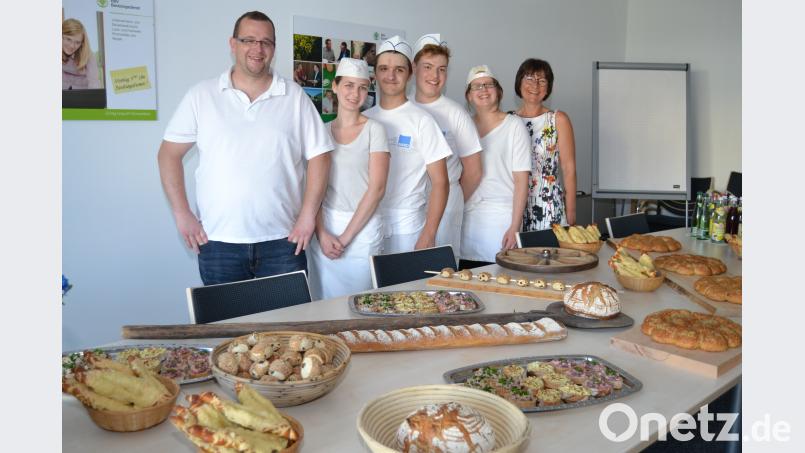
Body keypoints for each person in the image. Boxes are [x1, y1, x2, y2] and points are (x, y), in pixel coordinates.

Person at [157, 11, 332, 286]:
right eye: (248, 40)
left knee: (288, 316)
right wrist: (182, 213)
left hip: (283, 242)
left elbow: (321, 156)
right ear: (233, 44)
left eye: (266, 42)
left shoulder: (294, 97)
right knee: (226, 316)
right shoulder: (202, 95)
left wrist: (308, 216)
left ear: (274, 48)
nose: (257, 49)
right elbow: (168, 154)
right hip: (218, 243)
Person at [308, 59, 390, 299]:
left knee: (361, 304)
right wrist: (322, 233)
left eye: (362, 87)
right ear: (334, 86)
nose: (355, 94)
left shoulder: (375, 130)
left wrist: (345, 238)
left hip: (362, 231)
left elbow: (377, 189)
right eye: (349, 85)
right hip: (326, 229)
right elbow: (314, 189)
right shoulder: (321, 132)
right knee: (324, 304)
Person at [364, 36, 452, 253]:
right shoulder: (365, 119)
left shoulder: (422, 121)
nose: (391, 76)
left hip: (408, 229)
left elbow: (441, 182)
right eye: (384, 69)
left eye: (399, 70)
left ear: (410, 74)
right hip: (367, 224)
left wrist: (429, 233)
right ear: (375, 74)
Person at [412, 34, 482, 259]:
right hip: (409, 202)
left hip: (446, 204)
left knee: (440, 267)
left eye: (441, 69)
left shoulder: (456, 113)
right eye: (428, 67)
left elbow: (474, 171)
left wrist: (453, 198)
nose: (435, 76)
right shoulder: (404, 108)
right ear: (414, 68)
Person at [460, 65, 530, 265]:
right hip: (467, 221)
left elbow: (522, 181)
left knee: (497, 277)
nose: (483, 90)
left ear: (499, 91)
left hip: (500, 222)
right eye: (476, 86)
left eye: (488, 85)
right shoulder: (463, 126)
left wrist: (515, 226)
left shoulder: (514, 126)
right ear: (469, 96)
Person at [513, 58, 577, 230]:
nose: (535, 85)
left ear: (548, 88)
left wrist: (571, 211)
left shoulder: (558, 119)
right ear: (519, 83)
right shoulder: (508, 120)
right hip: (513, 207)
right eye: (529, 78)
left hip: (548, 207)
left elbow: (569, 168)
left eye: (542, 80)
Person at [62, 18, 101, 90]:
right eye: (68, 39)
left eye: (77, 42)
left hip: (83, 94)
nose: (72, 46)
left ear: (82, 43)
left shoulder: (88, 55)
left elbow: (94, 82)